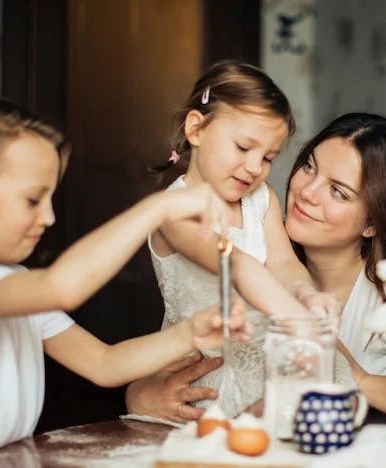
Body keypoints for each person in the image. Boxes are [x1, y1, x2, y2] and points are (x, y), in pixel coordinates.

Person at [0, 96, 251, 468]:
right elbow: (61, 288)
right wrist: (157, 209)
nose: (48, 216)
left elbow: (104, 363)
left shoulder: (14, 283)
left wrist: (191, 333)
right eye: (33, 200)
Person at [128, 113, 386, 436]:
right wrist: (141, 393)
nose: (307, 192)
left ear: (373, 223)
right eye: (308, 167)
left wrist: (358, 381)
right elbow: (174, 360)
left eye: (339, 192)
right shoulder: (250, 254)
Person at [147, 59, 346, 419]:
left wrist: (305, 294)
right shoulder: (174, 210)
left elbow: (284, 263)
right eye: (243, 148)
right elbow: (235, 264)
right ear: (196, 129)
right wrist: (297, 317)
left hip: (262, 361)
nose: (255, 167)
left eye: (268, 157)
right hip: (207, 373)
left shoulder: (261, 198)